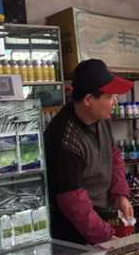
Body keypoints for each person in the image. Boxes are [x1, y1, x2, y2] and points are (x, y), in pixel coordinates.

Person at [44, 59, 134, 245]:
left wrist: (120, 194)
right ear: (88, 100)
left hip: (101, 216)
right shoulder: (64, 138)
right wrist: (106, 237)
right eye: (109, 97)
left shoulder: (102, 117)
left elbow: (113, 155)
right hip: (75, 233)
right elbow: (72, 202)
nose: (114, 102)